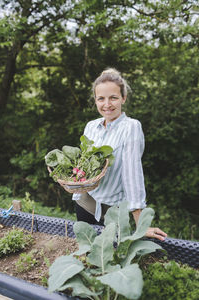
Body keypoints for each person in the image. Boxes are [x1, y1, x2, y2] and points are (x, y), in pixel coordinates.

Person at [72, 68, 167, 241]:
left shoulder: (131, 127)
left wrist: (140, 223)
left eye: (113, 98)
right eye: (101, 98)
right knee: (88, 253)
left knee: (109, 259)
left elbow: (132, 174)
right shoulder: (91, 126)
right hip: (84, 202)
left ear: (123, 98)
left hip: (112, 211)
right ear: (95, 100)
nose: (107, 104)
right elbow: (83, 166)